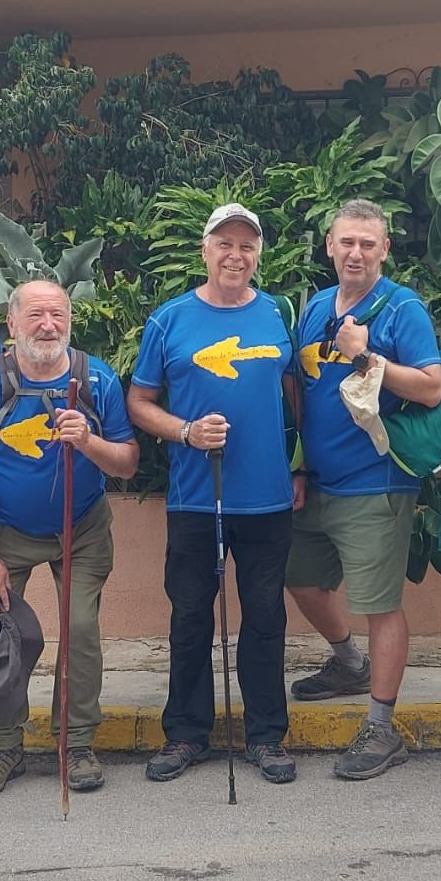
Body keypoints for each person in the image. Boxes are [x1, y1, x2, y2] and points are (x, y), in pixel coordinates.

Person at [127, 203, 297, 785]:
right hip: (197, 497)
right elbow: (139, 402)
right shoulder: (169, 320)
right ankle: (186, 733)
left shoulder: (278, 314)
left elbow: (295, 399)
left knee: (266, 617)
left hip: (268, 498)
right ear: (205, 251)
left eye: (246, 246)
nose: (235, 255)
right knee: (193, 616)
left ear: (257, 255)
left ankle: (267, 735)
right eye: (224, 243)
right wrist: (185, 432)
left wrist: (298, 468)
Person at [0, 279, 138, 798]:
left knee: (79, 628)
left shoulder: (96, 380)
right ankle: (2, 743)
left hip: (83, 527)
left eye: (57, 315)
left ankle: (74, 743)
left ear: (70, 320)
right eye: (35, 316)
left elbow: (127, 463)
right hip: (7, 531)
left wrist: (90, 441)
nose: (48, 326)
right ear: (12, 324)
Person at [286, 199, 441, 780]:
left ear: (384, 251)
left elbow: (429, 388)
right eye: (346, 242)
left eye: (367, 244)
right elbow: (302, 391)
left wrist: (368, 356)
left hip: (376, 481)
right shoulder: (316, 307)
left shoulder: (404, 309)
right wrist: (299, 464)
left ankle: (381, 726)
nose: (355, 253)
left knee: (379, 605)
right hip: (319, 480)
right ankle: (349, 664)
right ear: (329, 245)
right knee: (298, 576)